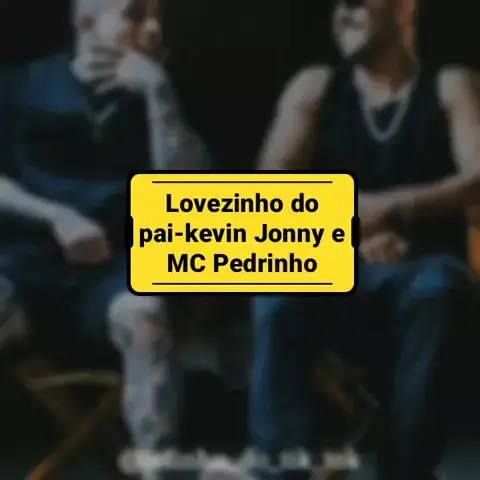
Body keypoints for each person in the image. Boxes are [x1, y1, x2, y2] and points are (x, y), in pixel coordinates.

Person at [250, 0, 479, 479]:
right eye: (338, 4)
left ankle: (405, 471)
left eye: (358, 2)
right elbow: (269, 189)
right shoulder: (315, 86)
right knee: (276, 284)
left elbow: (478, 178)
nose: (343, 13)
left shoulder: (449, 84)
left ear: (404, 9)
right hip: (335, 266)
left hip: (420, 270)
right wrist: (346, 239)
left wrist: (394, 207)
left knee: (441, 288)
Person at [0, 1, 213, 479]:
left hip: (118, 273)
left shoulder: (165, 92)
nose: (153, 30)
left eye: (158, 19)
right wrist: (56, 217)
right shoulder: (21, 84)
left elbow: (193, 198)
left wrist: (158, 95)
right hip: (26, 263)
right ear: (86, 20)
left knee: (145, 316)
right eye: (135, 15)